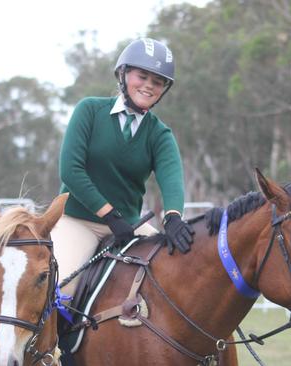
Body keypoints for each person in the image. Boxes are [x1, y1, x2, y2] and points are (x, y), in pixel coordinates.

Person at [52, 38, 195, 298]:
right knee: (62, 288)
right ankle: (50, 340)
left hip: (129, 225)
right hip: (78, 221)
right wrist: (109, 215)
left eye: (158, 82)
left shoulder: (160, 134)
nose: (149, 86)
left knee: (174, 276)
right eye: (142, 76)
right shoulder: (90, 110)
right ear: (123, 74)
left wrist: (173, 217)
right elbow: (71, 171)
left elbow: (172, 178)